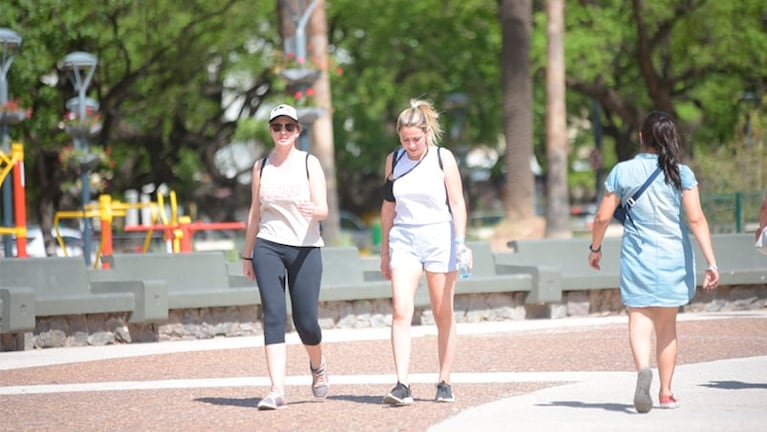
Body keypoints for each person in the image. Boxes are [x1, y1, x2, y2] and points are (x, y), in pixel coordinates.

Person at [588, 111, 719, 414]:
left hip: (637, 258)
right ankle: (667, 392)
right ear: (671, 139)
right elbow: (696, 219)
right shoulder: (682, 173)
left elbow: (602, 217)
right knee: (667, 326)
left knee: (638, 320)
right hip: (674, 257)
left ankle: (642, 371)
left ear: (641, 137)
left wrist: (595, 247)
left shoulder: (622, 171)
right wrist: (711, 263)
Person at [379, 98, 471, 406]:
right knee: (400, 310)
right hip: (404, 239)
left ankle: (444, 380)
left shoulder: (443, 158)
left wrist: (461, 243)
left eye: (415, 139)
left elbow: (457, 203)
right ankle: (402, 383)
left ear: (426, 132)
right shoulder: (394, 160)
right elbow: (388, 206)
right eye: (405, 140)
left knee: (442, 312)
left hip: (439, 239)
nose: (410, 145)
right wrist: (384, 252)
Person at [241, 103, 329, 410]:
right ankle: (277, 389)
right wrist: (247, 253)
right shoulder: (261, 166)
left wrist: (313, 210)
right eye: (277, 127)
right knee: (274, 315)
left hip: (305, 248)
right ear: (270, 130)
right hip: (268, 246)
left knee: (306, 322)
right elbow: (255, 213)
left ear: (297, 131)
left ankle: (317, 366)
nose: (283, 132)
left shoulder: (309, 163)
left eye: (288, 127)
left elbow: (324, 209)